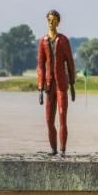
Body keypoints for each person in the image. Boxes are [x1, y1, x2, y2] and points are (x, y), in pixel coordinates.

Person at [37, 9, 76, 156]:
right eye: (49, 20)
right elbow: (40, 65)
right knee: (48, 120)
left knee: (62, 117)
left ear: (58, 22)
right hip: (49, 85)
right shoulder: (43, 41)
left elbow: (70, 63)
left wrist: (72, 85)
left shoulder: (64, 41)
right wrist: (40, 88)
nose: (51, 23)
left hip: (61, 85)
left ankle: (63, 150)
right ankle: (53, 149)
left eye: (54, 20)